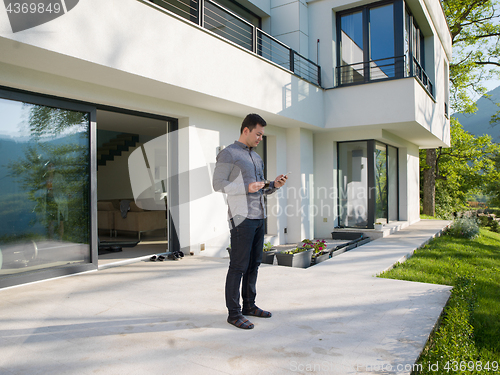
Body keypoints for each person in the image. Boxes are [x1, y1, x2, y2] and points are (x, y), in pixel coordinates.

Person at [212, 114, 288, 329]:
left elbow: (260, 188)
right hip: (241, 219)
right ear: (246, 130)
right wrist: (246, 187)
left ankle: (249, 306)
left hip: (259, 216)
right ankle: (233, 314)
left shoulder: (256, 157)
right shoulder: (228, 154)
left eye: (262, 135)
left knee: (254, 264)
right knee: (238, 266)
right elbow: (218, 184)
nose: (260, 138)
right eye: (258, 134)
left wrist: (274, 184)